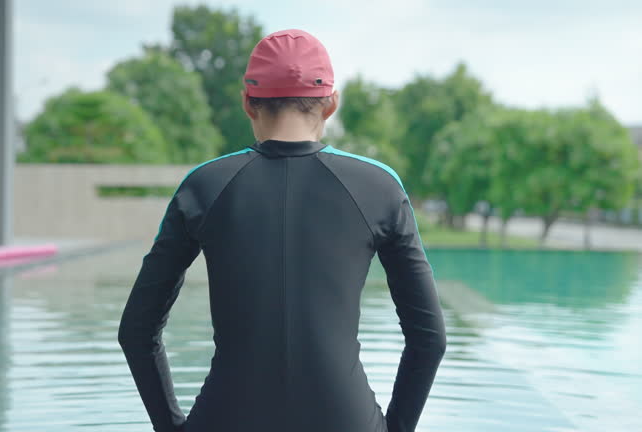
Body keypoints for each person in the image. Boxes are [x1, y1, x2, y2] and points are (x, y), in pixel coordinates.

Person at [117, 29, 447, 432]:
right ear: (331, 104)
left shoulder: (204, 186)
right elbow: (429, 337)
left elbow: (137, 330)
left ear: (247, 103)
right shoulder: (379, 186)